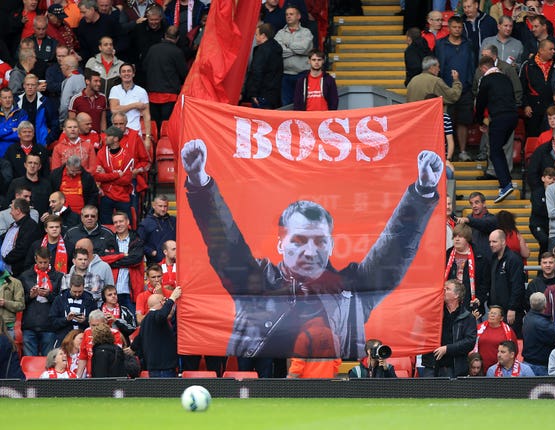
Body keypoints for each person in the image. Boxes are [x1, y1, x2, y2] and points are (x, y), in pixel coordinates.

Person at [180, 139, 442, 359]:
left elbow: (394, 248)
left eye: (319, 241)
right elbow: (224, 240)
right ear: (280, 244)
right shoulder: (254, 280)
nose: (309, 251)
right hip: (265, 388)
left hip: (337, 390)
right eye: (299, 240)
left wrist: (423, 191)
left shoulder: (354, 288)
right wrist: (200, 182)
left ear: (331, 245)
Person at [474, 55, 518, 202]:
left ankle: (505, 184)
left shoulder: (486, 80)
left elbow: (480, 103)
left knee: (494, 151)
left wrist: (480, 121)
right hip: (513, 117)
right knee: (498, 149)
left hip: (499, 118)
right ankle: (505, 181)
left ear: (484, 68)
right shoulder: (506, 77)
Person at [436, 15, 475, 161]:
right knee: (447, 121)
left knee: (463, 121)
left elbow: (472, 64)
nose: (457, 30)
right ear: (449, 28)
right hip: (446, 89)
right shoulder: (440, 44)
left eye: (459, 27)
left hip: (465, 89)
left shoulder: (468, 43)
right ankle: (447, 152)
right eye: (454, 27)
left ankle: (463, 151)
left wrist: (470, 83)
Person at [421, 280, 476, 377]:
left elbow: (469, 342)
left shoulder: (467, 317)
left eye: (447, 289)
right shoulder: (434, 312)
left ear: (456, 295)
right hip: (431, 365)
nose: (443, 291)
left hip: (454, 368)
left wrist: (447, 349)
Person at [19, 246, 63, 356]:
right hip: (29, 325)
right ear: (35, 259)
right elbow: (19, 303)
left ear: (50, 259)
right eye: (40, 262)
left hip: (49, 325)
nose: (43, 265)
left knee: (47, 362)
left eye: (45, 262)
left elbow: (62, 303)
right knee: (29, 363)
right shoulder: (25, 276)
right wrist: (30, 296)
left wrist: (49, 295)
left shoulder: (59, 277)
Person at [143, 25, 187, 132]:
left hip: (152, 94)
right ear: (177, 38)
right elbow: (184, 73)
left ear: (165, 36)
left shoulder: (152, 49)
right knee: (166, 126)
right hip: (170, 95)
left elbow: (144, 67)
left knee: (154, 125)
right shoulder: (177, 52)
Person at [131, 287, 182, 377]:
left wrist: (131, 349)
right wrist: (172, 298)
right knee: (166, 391)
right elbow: (162, 315)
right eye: (164, 300)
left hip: (155, 367)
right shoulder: (155, 316)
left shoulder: (146, 319)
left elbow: (139, 338)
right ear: (161, 302)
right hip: (164, 368)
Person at [487, 229, 525, 336]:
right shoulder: (494, 258)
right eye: (490, 242)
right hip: (496, 309)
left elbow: (517, 286)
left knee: (510, 340)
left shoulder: (513, 259)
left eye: (494, 242)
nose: (491, 244)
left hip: (510, 311)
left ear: (503, 242)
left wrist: (512, 308)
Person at [520, 39, 555, 137]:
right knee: (533, 136)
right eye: (550, 49)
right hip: (533, 108)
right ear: (541, 50)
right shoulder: (528, 65)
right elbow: (521, 88)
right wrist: (525, 105)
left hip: (551, 106)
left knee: (550, 135)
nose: (554, 52)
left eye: (554, 49)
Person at [445, 223, 489, 314]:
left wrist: (480, 298)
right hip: (449, 305)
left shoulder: (479, 256)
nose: (456, 239)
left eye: (460, 236)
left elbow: (485, 282)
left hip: (471, 304)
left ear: (467, 238)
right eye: (455, 236)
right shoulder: (447, 254)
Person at [274, 5, 313, 106]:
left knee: (302, 104)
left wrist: (287, 44)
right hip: (285, 74)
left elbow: (303, 48)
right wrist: (297, 50)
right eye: (287, 14)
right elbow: (278, 51)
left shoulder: (306, 32)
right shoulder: (280, 33)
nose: (288, 16)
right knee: (286, 105)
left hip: (302, 74)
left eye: (291, 14)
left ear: (298, 16)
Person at [94, 126, 133, 224]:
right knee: (106, 226)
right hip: (106, 195)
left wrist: (106, 175)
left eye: (108, 136)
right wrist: (116, 175)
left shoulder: (127, 155)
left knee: (126, 225)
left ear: (115, 139)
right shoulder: (101, 153)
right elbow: (97, 176)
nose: (105, 137)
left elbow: (126, 180)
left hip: (122, 196)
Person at [109, 211, 144, 313]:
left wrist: (114, 260)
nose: (118, 224)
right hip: (112, 292)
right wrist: (123, 257)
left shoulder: (137, 240)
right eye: (115, 222)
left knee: (132, 324)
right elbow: (105, 259)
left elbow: (135, 260)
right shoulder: (108, 241)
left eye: (121, 221)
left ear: (127, 222)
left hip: (131, 291)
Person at [108, 63, 151, 144]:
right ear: (120, 75)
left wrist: (148, 138)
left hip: (135, 133)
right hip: (118, 133)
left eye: (129, 71)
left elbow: (147, 116)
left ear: (133, 74)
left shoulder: (141, 91)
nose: (126, 73)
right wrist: (134, 105)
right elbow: (114, 110)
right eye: (123, 71)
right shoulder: (115, 89)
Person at [49, 274, 98, 345]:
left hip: (84, 339)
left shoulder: (90, 300)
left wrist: (85, 320)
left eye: (80, 291)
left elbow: (97, 322)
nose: (77, 294)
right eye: (75, 292)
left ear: (84, 287)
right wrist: (66, 319)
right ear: (70, 287)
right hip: (64, 339)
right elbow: (52, 321)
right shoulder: (59, 299)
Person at [245, 23, 283, 109]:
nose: (255, 37)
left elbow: (257, 72)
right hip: (274, 93)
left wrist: (253, 93)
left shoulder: (262, 50)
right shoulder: (277, 48)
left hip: (261, 93)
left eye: (257, 34)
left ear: (263, 35)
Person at [76, 309, 123, 377]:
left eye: (98, 325)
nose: (95, 328)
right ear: (89, 323)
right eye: (93, 325)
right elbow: (83, 357)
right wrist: (78, 377)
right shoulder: (87, 332)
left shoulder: (114, 333)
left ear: (105, 323)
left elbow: (117, 357)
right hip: (91, 376)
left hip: (110, 376)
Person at [16, 74, 59, 148]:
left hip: (40, 143)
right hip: (19, 143)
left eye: (33, 85)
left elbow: (55, 124)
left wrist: (47, 140)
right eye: (28, 84)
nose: (30, 87)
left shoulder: (46, 102)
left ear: (37, 86)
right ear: (24, 86)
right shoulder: (16, 101)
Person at [1, 197, 40, 275]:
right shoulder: (14, 224)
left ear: (18, 211)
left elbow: (22, 249)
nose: (10, 212)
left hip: (17, 272)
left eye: (12, 209)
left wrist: (5, 260)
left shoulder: (30, 226)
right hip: (6, 269)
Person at [522, 292, 555, 376]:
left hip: (527, 362)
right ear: (545, 305)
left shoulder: (526, 318)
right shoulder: (543, 324)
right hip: (540, 366)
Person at [6, 152, 52, 217]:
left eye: (35, 163)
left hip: (41, 223)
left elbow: (52, 203)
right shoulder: (15, 183)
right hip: (20, 223)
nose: (32, 166)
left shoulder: (46, 184)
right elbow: (7, 203)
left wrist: (48, 213)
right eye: (30, 162)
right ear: (25, 165)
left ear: (39, 166)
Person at [475, 305, 518, 373]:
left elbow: (514, 350)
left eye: (495, 313)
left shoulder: (508, 331)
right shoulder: (479, 328)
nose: (491, 315)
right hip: (480, 369)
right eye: (490, 313)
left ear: (501, 318)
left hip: (500, 370)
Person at [455, 192, 498, 260]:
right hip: (471, 260)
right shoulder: (467, 220)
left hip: (487, 260)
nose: (474, 206)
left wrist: (468, 220)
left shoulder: (492, 219)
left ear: (484, 204)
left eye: (476, 202)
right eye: (471, 203)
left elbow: (482, 224)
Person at [137, 194, 175, 264]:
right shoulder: (145, 223)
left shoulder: (174, 221)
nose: (163, 209)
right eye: (160, 206)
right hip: (155, 264)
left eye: (165, 206)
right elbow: (138, 243)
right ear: (154, 205)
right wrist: (152, 252)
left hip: (174, 263)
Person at [68, 70, 107, 134]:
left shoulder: (102, 98)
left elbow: (103, 121)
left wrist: (103, 136)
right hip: (81, 138)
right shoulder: (76, 99)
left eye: (99, 81)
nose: (99, 84)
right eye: (96, 81)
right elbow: (72, 122)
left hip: (97, 138)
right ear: (87, 81)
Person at [84, 36, 123, 100]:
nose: (109, 46)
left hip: (114, 103)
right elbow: (86, 82)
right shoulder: (92, 62)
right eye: (105, 45)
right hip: (94, 102)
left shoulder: (121, 64)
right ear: (100, 47)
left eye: (111, 44)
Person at [0, 87, 28, 157]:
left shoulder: (21, 113)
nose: (7, 100)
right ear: (0, 100)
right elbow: (16, 133)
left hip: (16, 152)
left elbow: (23, 134)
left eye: (9, 97)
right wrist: (12, 130)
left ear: (13, 98)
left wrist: (2, 132)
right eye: (4, 98)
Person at [58, 55, 85, 124]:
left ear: (67, 67)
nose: (61, 67)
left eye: (62, 65)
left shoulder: (70, 81)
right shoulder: (83, 78)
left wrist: (62, 120)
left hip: (71, 121)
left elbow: (64, 105)